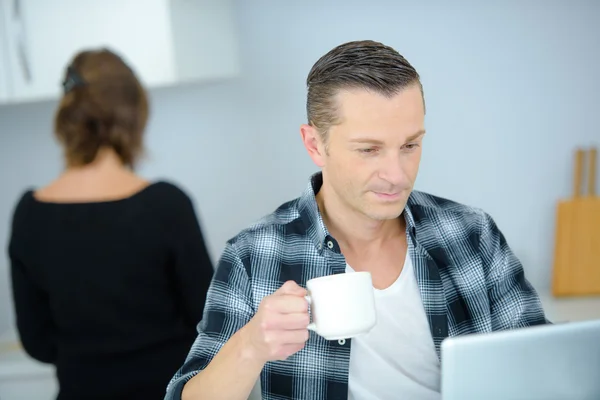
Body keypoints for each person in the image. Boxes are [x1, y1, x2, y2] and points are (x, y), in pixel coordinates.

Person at [165, 40, 548, 400]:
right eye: (369, 150)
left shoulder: (471, 233)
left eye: (410, 145)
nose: (397, 175)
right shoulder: (254, 254)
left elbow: (544, 365)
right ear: (315, 145)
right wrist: (251, 345)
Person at [8, 49, 214, 400]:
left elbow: (37, 344)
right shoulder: (166, 205)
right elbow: (210, 324)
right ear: (135, 116)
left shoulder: (29, 213)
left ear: (68, 117)